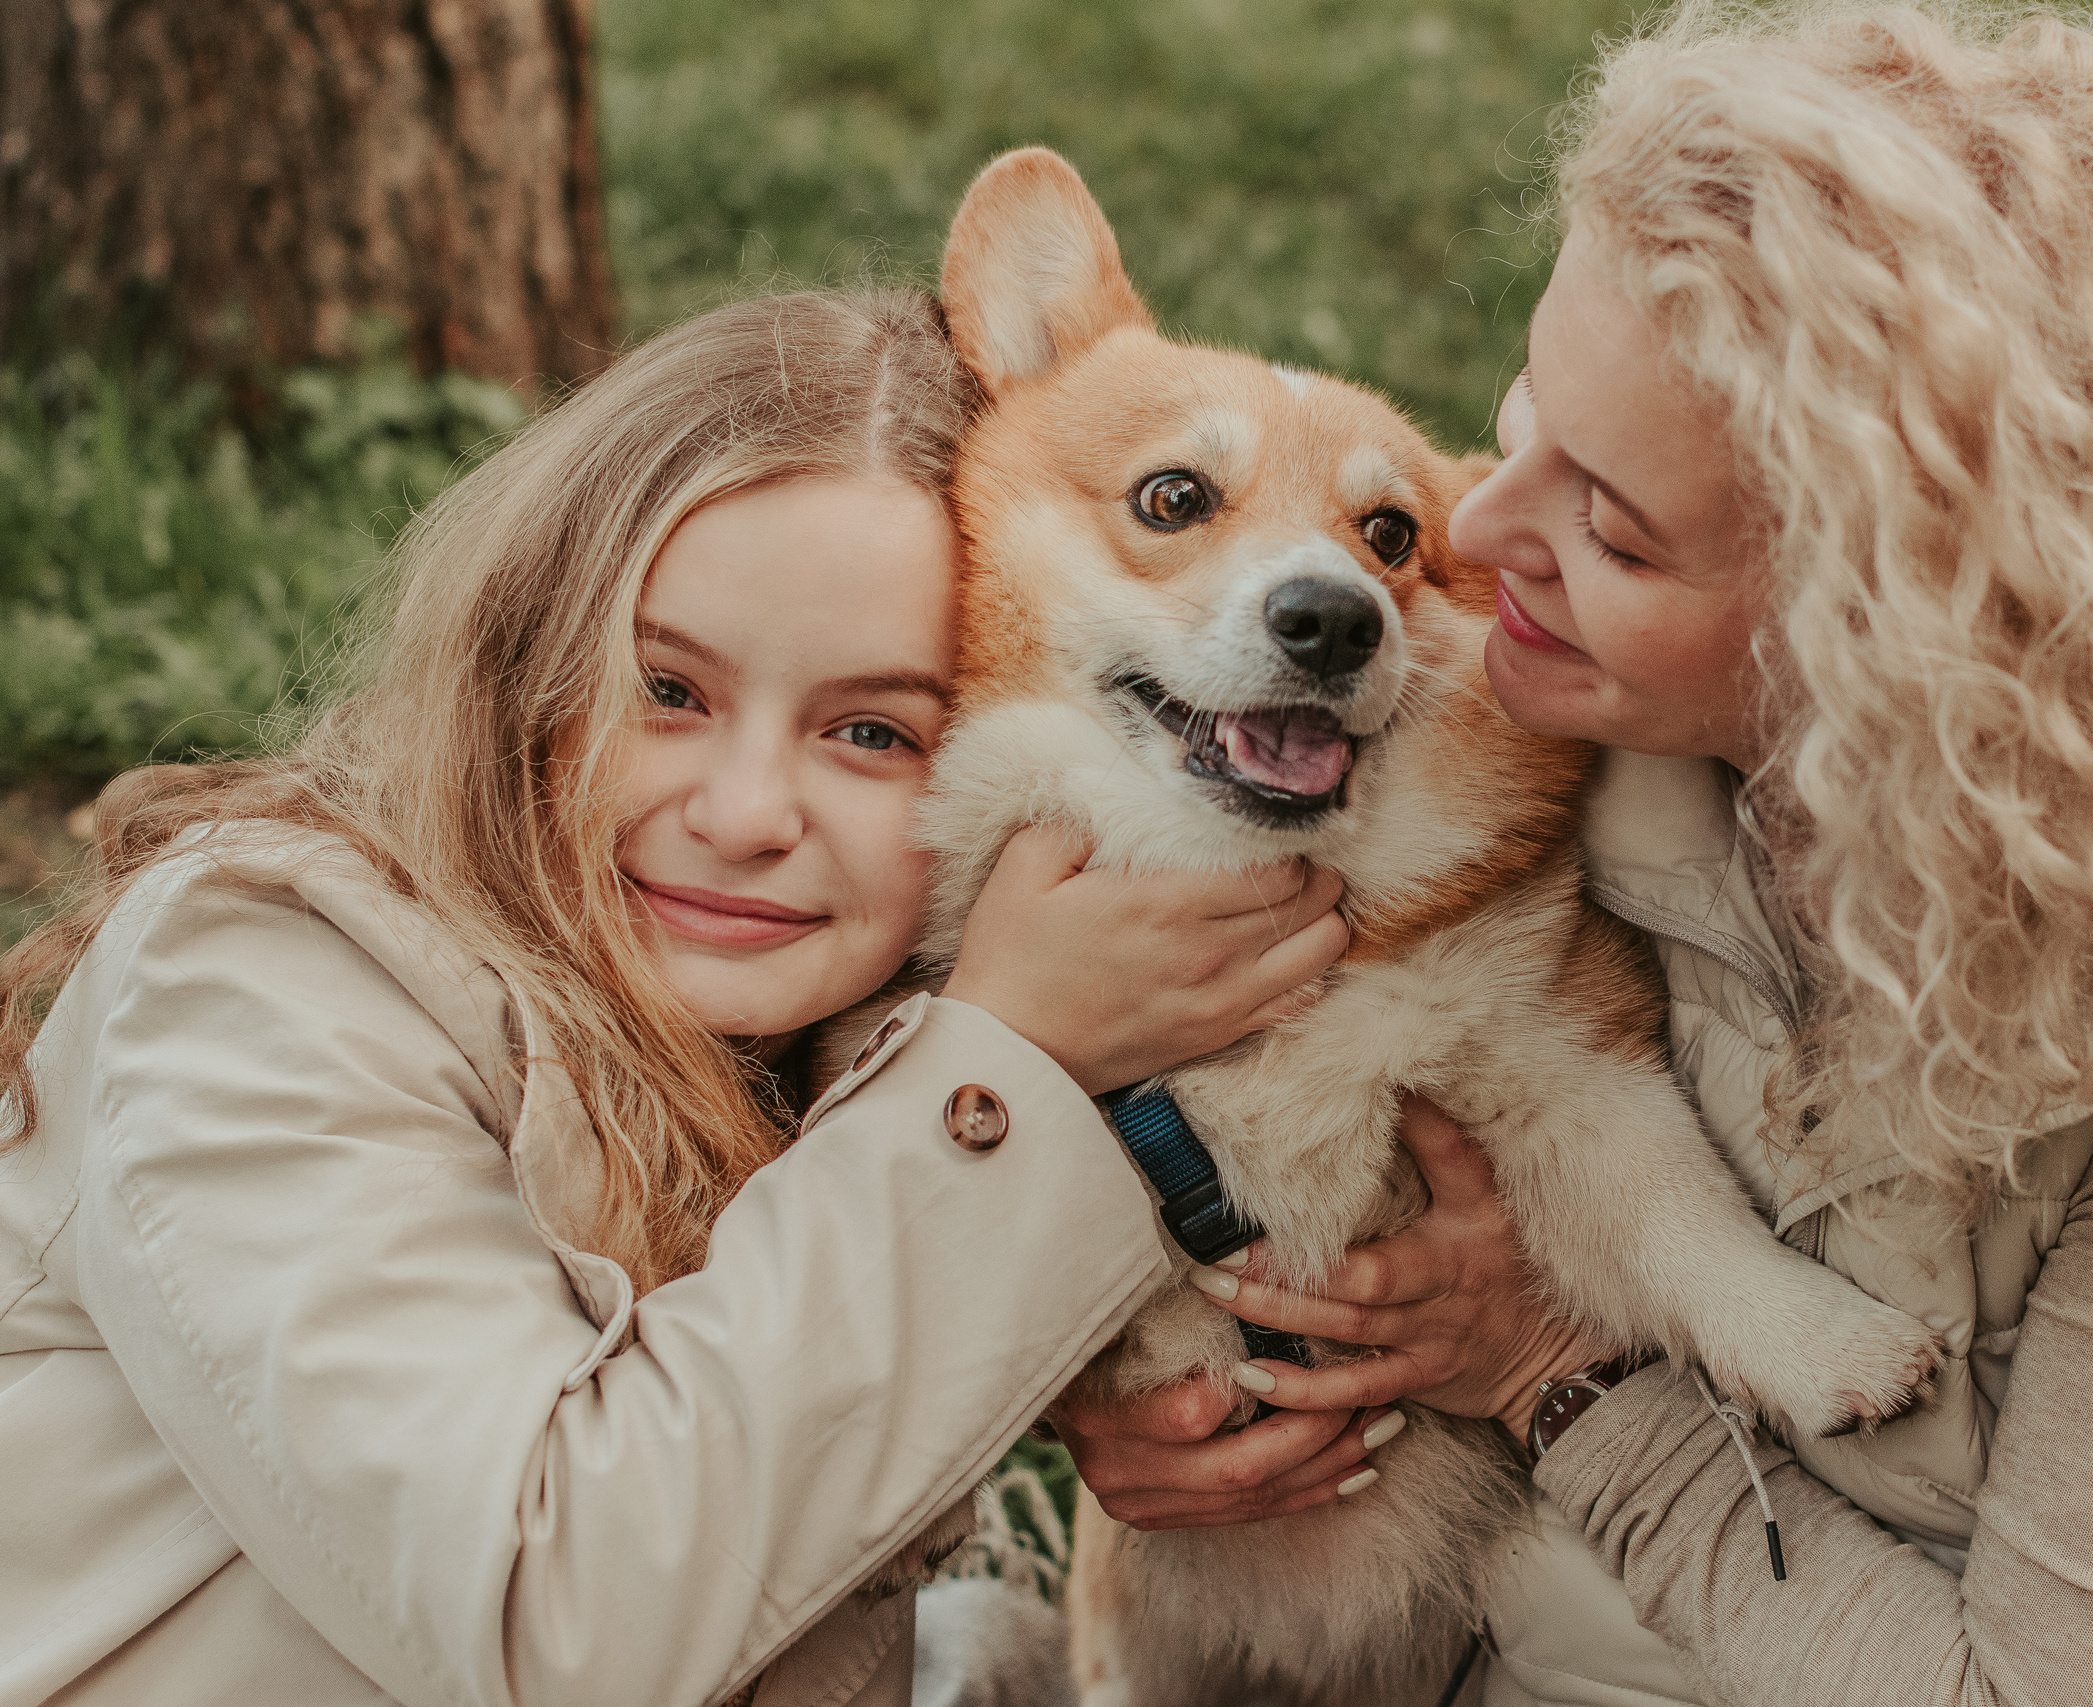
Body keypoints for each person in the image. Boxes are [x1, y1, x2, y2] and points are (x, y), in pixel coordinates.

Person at [1054, 6, 2093, 1702]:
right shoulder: (1529, 716)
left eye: (1609, 523)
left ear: (1881, 643)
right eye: (1528, 405)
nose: (1472, 533)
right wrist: (1127, 1408)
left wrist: (1551, 1370)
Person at [0, 287, 1355, 1707]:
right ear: (527, 664)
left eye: (874, 731)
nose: (749, 810)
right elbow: (560, 1620)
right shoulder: (260, 984)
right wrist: (1002, 1067)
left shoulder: (829, 1029)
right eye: (664, 690)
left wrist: (1118, 1383)